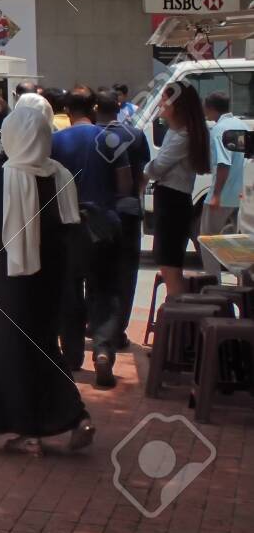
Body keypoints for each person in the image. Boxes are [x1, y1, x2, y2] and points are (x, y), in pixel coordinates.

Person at [0, 101, 95, 456]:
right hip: (53, 275)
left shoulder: (4, 176)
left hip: (14, 276)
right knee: (45, 344)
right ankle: (73, 417)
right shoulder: (60, 174)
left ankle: (29, 429)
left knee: (12, 350)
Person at [51, 90, 122, 387]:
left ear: (67, 109)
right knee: (103, 289)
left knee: (69, 289)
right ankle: (103, 351)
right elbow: (125, 182)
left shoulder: (56, 141)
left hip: (69, 223)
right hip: (103, 222)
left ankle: (72, 354)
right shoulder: (109, 139)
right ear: (93, 108)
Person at [144, 83, 211, 297]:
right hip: (169, 200)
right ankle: (176, 318)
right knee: (166, 263)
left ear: (177, 104)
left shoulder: (183, 135)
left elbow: (157, 167)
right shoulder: (175, 131)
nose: (161, 104)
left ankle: (178, 321)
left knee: (171, 267)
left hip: (173, 202)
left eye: (164, 99)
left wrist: (144, 171)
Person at [95, 93, 150, 350]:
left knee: (97, 274)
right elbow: (142, 174)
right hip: (128, 210)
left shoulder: (89, 136)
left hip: (97, 212)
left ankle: (98, 328)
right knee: (126, 275)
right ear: (119, 109)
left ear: (96, 109)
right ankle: (117, 331)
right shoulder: (136, 135)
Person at [201, 91, 243, 279]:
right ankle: (244, 281)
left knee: (207, 239)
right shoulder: (241, 126)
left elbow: (223, 163)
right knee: (238, 243)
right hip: (241, 196)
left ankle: (212, 281)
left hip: (223, 195)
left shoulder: (219, 130)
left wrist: (216, 194)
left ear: (210, 108)